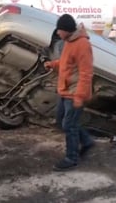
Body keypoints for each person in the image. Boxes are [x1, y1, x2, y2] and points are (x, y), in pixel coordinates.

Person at [44, 14, 94, 171]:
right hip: (65, 91)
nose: (58, 33)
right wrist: (53, 64)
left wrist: (79, 96)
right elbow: (66, 63)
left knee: (69, 125)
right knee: (62, 121)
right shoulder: (68, 42)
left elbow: (86, 73)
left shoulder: (82, 44)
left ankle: (71, 158)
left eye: (59, 30)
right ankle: (86, 141)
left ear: (66, 30)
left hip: (74, 92)